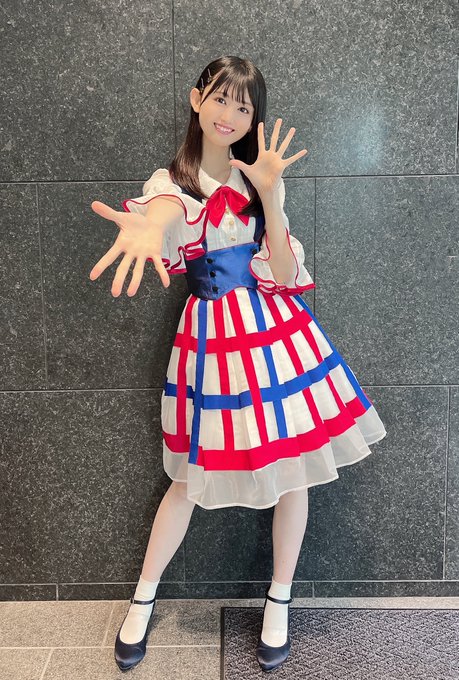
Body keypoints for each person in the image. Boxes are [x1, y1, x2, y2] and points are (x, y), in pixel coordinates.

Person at [89, 55, 387, 673]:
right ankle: (142, 600)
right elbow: (165, 214)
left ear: (254, 119)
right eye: (220, 98)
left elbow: (284, 271)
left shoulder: (259, 180)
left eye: (243, 107)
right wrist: (148, 229)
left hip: (276, 336)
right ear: (196, 99)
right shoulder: (172, 182)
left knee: (294, 470)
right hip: (211, 344)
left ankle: (279, 600)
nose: (229, 114)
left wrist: (272, 197)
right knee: (189, 478)